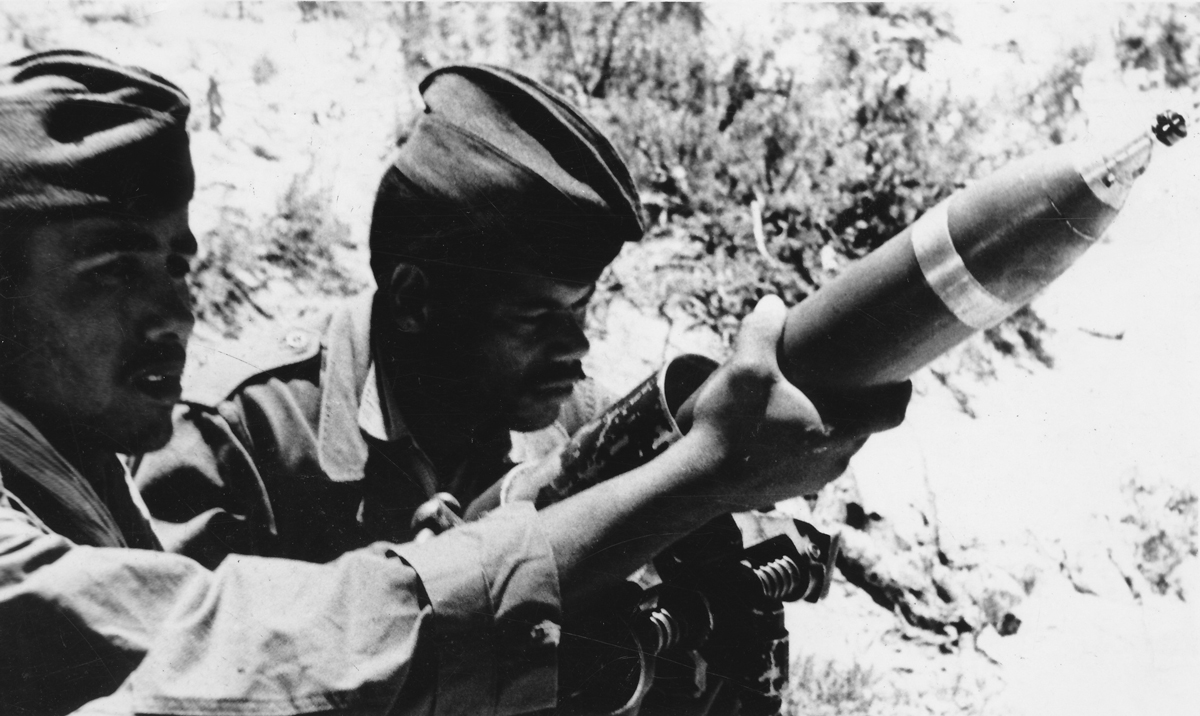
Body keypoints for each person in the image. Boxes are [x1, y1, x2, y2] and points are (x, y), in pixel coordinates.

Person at [0, 52, 908, 715]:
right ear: (417, 303)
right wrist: (699, 473)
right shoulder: (222, 432)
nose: (174, 316)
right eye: (112, 272)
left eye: (177, 268)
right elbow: (254, 653)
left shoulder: (81, 459)